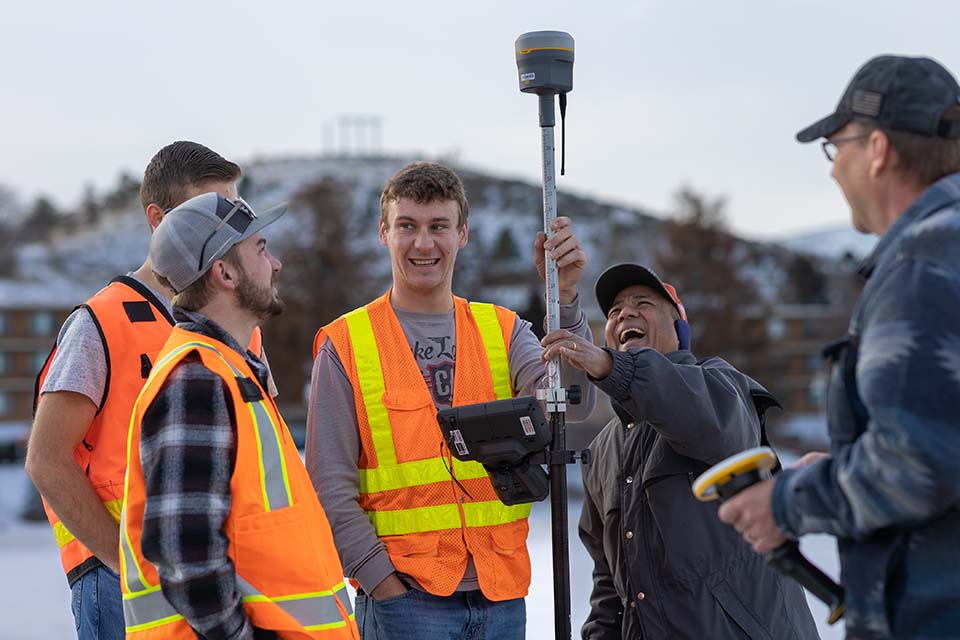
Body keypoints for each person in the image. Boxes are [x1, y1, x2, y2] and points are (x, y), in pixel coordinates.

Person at [717, 54, 960, 638]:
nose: (833, 171)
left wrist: (785, 503)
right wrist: (851, 463)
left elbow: (916, 465)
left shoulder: (924, 266)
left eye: (837, 148)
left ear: (877, 150)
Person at [305, 161, 596, 639]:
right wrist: (382, 583)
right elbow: (328, 487)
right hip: (405, 604)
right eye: (407, 226)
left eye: (438, 226)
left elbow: (572, 407)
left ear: (462, 234)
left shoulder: (502, 330)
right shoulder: (346, 344)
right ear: (383, 232)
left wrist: (563, 298)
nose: (424, 244)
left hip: (501, 598)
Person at [25, 141, 274, 639]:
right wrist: (123, 563)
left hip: (221, 576)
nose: (227, 227)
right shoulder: (101, 322)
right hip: (121, 584)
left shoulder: (242, 328)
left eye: (233, 210)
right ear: (158, 219)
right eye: (208, 210)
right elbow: (45, 459)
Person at [119, 192, 358, 639]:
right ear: (225, 272)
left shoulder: (230, 371)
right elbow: (186, 558)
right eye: (261, 249)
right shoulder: (197, 379)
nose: (276, 264)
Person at [541, 263, 817, 639]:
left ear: (679, 330)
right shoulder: (603, 450)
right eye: (615, 311)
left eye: (643, 303)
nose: (625, 313)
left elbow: (704, 421)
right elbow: (609, 583)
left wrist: (615, 369)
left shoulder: (722, 386)